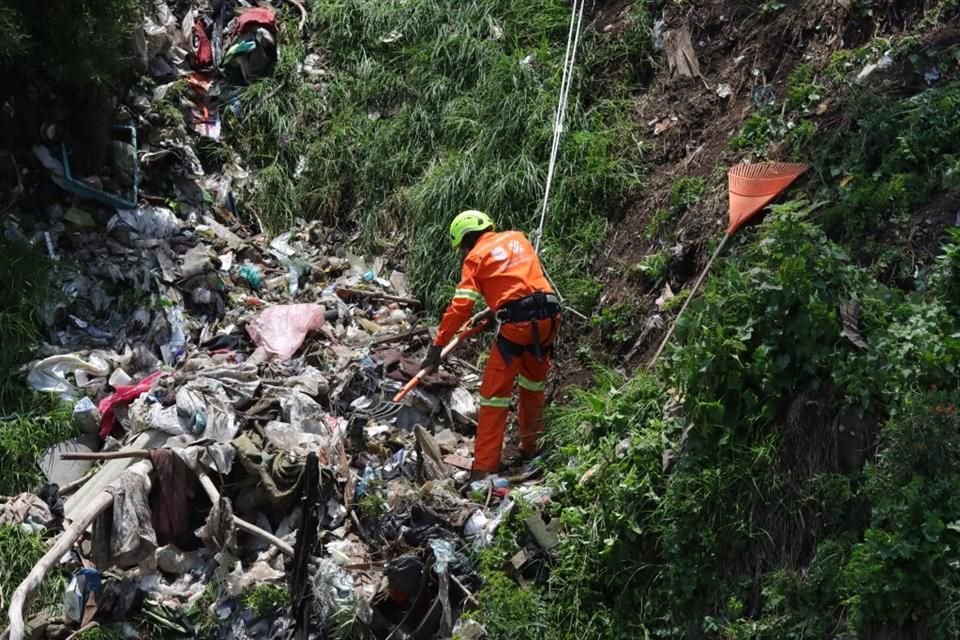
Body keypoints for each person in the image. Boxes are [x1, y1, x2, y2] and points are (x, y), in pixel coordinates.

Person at [421, 210, 561, 480]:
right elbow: (518, 283)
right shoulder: (517, 238)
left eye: (461, 248)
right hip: (549, 319)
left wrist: (438, 346)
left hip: (518, 326)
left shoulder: (475, 258)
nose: (462, 253)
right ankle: (531, 446)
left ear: (465, 240)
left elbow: (461, 306)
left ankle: (484, 468)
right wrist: (493, 310)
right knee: (533, 385)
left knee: (493, 396)